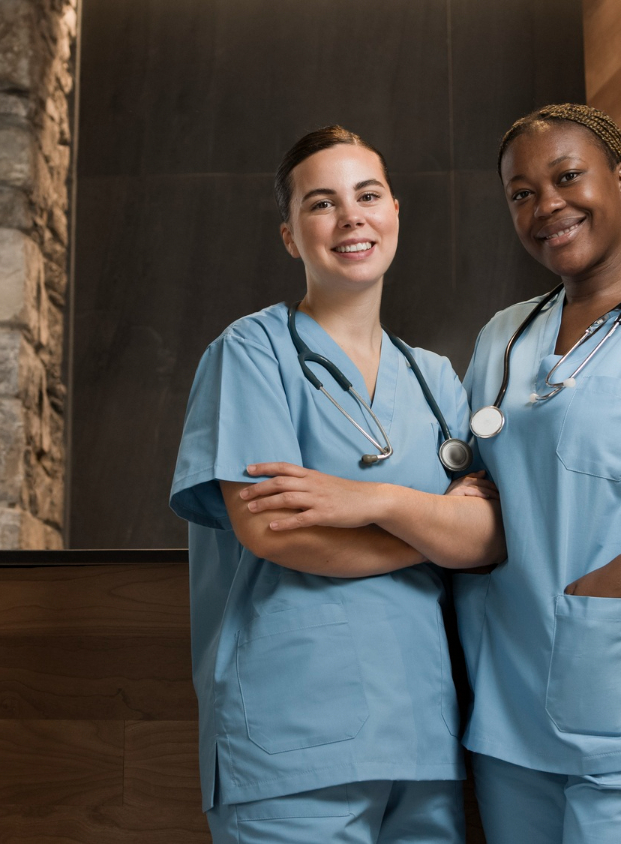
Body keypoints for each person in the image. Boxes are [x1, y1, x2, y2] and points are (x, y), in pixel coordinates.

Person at [241, 104, 621, 843]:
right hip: (509, 722)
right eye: (522, 192)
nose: (548, 205)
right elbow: (473, 505)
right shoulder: (503, 337)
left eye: (568, 177)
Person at [169, 125, 505, 844]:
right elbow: (273, 530)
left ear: (394, 213)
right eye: (321, 203)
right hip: (291, 739)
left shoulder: (436, 378)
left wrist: (375, 501)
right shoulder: (253, 351)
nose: (351, 216)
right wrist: (432, 532)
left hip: (421, 739)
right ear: (291, 236)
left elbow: (488, 536)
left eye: (368, 195)